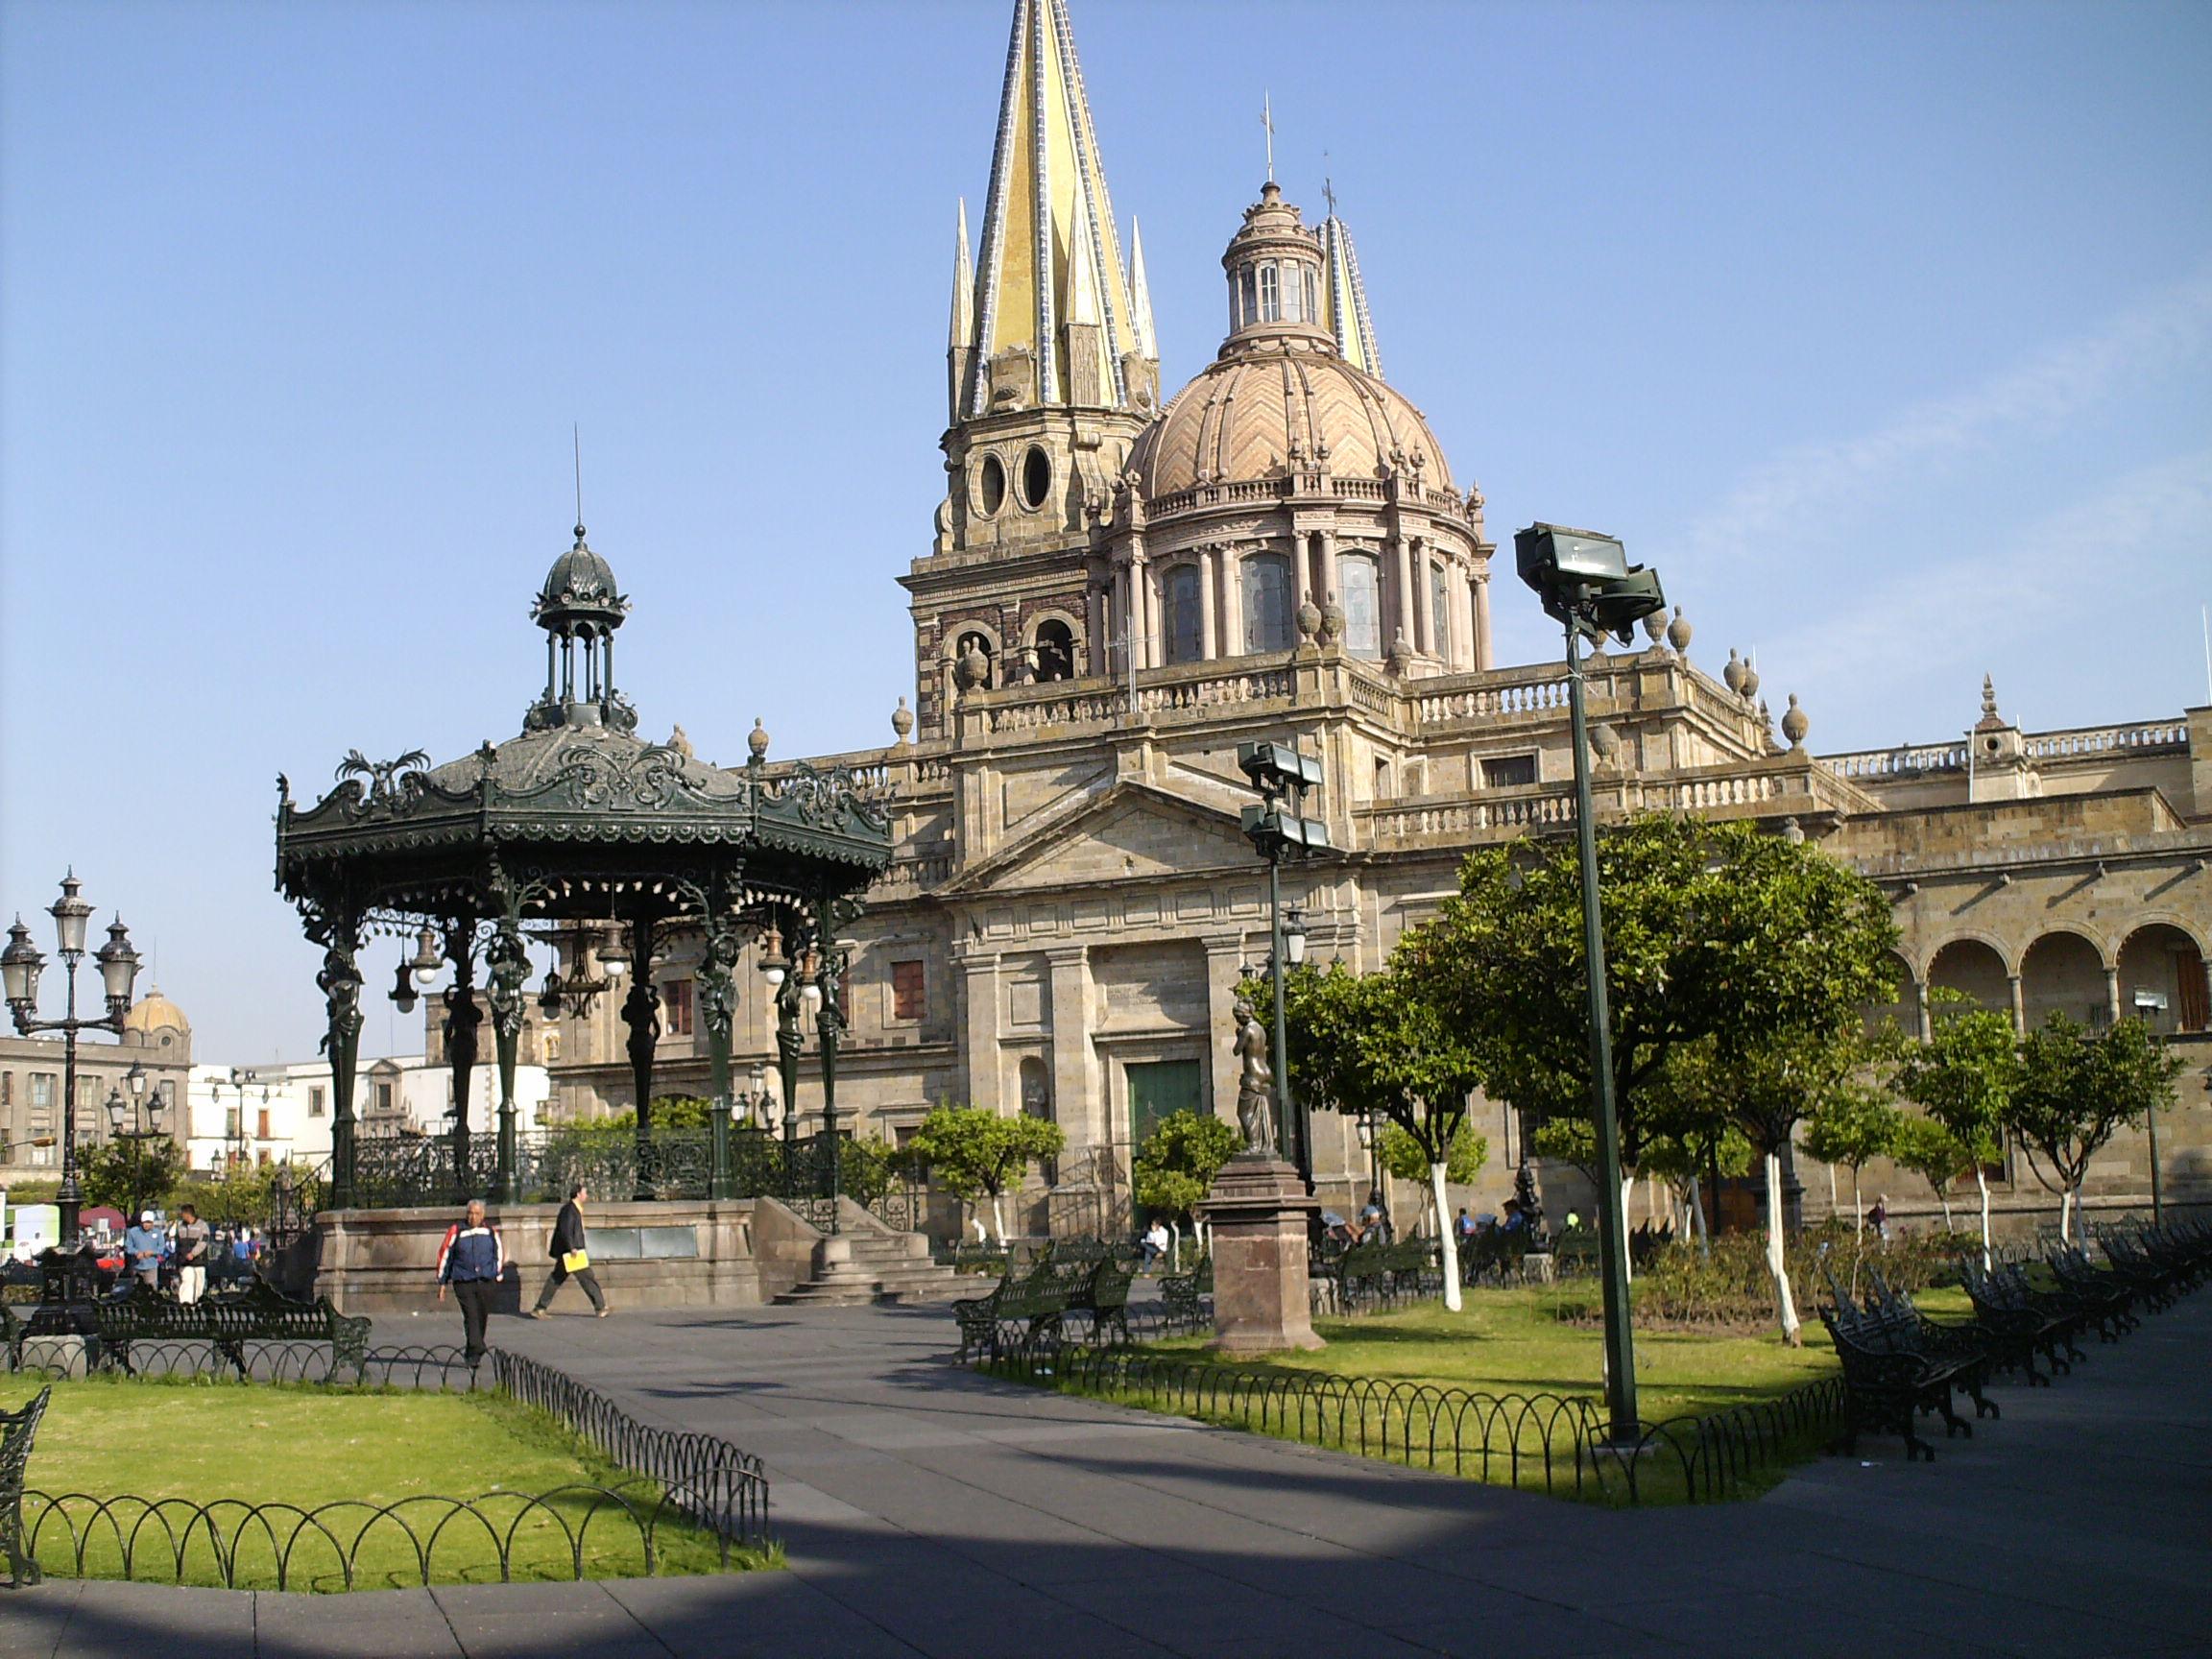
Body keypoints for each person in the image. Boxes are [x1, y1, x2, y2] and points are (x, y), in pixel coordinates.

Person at [436, 1199, 506, 1363]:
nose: (473, 1217)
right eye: (470, 1213)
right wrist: (442, 1282)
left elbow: (498, 1254)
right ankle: (477, 1346)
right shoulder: (457, 1231)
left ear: (482, 1215)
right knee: (471, 1315)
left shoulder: (490, 1232)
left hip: (486, 1280)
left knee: (481, 1316)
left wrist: (497, 1274)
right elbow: (445, 1255)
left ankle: (472, 1353)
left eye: (477, 1214)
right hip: (463, 1280)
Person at [530, 1184, 608, 1319]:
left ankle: (540, 1307)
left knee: (556, 1278)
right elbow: (566, 1230)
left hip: (569, 1251)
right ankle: (600, 1307)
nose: (586, 1195)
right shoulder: (569, 1210)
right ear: (578, 1194)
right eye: (584, 1192)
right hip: (572, 1252)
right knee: (587, 1278)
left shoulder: (573, 1209)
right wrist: (572, 1247)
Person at [174, 1204, 211, 1305]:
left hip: (199, 1261)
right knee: (188, 1280)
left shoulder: (202, 1226)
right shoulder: (180, 1226)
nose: (181, 1215)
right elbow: (178, 1243)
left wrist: (193, 1253)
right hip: (185, 1262)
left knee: (199, 1284)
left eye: (182, 1213)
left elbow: (203, 1242)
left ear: (188, 1214)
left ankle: (197, 1304)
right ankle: (185, 1304)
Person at [122, 1210, 164, 1293]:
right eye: (145, 1222)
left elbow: (161, 1248)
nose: (146, 1225)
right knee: (136, 1290)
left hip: (151, 1266)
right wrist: (136, 1252)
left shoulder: (158, 1233)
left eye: (149, 1222)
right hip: (137, 1266)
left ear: (152, 1223)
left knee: (152, 1290)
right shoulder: (133, 1232)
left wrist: (152, 1252)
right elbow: (128, 1247)